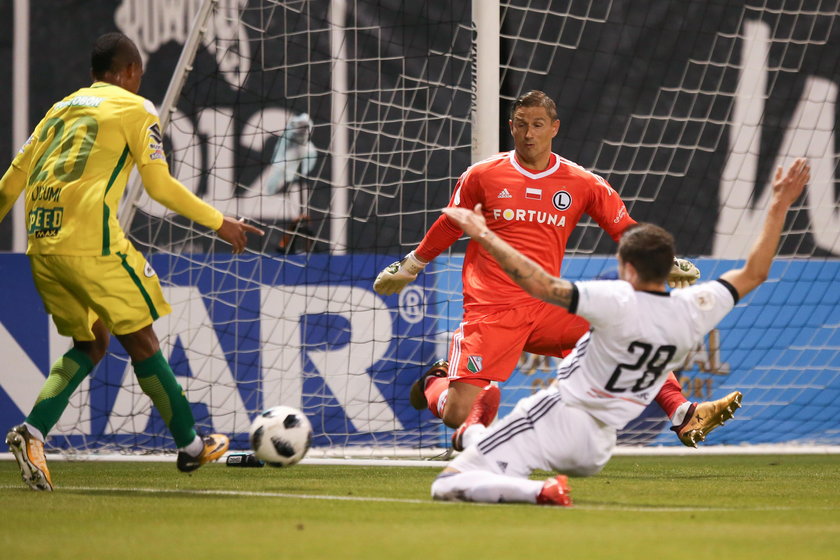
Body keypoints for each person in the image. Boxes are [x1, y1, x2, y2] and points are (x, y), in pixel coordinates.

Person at [428, 158, 810, 506]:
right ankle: (679, 410)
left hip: (558, 418)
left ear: (626, 268)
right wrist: (779, 206)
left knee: (447, 484)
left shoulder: (613, 300)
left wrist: (484, 234)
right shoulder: (695, 308)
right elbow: (755, 272)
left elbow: (541, 285)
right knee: (486, 449)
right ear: (669, 269)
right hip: (599, 446)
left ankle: (540, 491)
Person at [373, 90, 734, 448]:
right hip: (492, 309)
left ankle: (683, 412)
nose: (529, 134)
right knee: (455, 414)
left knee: (630, 329)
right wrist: (412, 265)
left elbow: (624, 229)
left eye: (538, 125)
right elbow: (452, 222)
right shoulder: (482, 175)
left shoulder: (583, 182)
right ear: (510, 127)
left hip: (547, 302)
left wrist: (663, 262)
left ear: (554, 128)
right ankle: (436, 381)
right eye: (521, 125)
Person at [0, 32, 264, 491]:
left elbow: (9, 183)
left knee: (93, 343)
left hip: (41, 246)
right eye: (138, 75)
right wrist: (219, 221)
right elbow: (159, 187)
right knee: (142, 338)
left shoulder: (58, 111)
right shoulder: (134, 108)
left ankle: (32, 432)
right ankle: (191, 446)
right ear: (128, 73)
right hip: (92, 244)